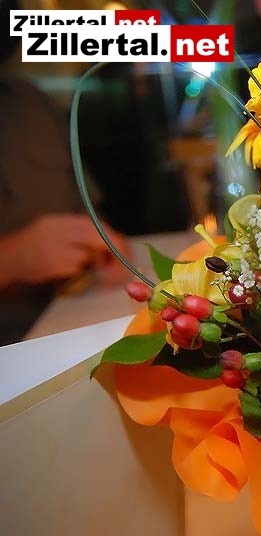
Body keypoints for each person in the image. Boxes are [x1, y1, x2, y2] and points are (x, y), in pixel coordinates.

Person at [0, 2, 128, 346]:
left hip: (68, 321)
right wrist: (10, 261)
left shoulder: (29, 101)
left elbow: (83, 205)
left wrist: (102, 242)